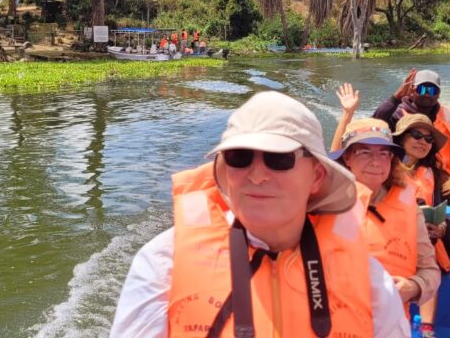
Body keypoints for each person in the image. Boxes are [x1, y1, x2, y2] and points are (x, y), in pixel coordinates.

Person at [111, 91, 410, 338]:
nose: (256, 175)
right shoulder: (163, 265)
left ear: (317, 176)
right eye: (239, 157)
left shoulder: (370, 281)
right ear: (226, 172)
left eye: (279, 158)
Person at [332, 116, 441, 313]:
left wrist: (414, 287)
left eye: (383, 153)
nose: (375, 162)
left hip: (390, 319)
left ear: (391, 159)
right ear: (347, 158)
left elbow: (430, 271)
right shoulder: (323, 205)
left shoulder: (409, 207)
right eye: (364, 152)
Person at [394, 112, 450, 337]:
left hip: (426, 237)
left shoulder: (432, 173)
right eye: (416, 135)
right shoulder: (384, 168)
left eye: (428, 139)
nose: (423, 142)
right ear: (401, 138)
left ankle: (427, 329)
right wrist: (347, 115)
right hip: (392, 235)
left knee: (446, 233)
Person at [373, 69, 450, 178]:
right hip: (413, 173)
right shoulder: (398, 114)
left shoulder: (448, 113)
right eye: (422, 89)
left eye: (432, 91)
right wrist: (395, 98)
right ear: (412, 90)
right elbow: (375, 124)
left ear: (438, 94)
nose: (427, 94)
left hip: (449, 173)